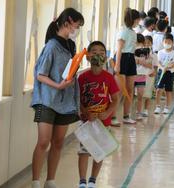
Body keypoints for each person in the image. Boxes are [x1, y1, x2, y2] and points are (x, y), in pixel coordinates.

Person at [30, 8, 84, 188]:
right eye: (77, 25)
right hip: (47, 100)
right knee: (43, 141)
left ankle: (50, 180)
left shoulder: (71, 46)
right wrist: (58, 85)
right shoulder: (52, 46)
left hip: (65, 101)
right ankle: (36, 181)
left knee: (58, 142)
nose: (77, 29)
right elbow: (40, 75)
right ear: (67, 22)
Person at [78, 41, 119, 188]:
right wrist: (85, 112)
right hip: (86, 123)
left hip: (103, 123)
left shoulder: (109, 78)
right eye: (94, 52)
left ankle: (92, 181)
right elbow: (77, 100)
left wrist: (108, 113)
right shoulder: (82, 78)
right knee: (83, 151)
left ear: (106, 57)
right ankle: (82, 181)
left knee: (99, 152)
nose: (98, 54)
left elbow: (115, 99)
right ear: (88, 57)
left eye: (102, 52)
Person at [112, 8, 140, 125]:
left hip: (131, 59)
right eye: (138, 19)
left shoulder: (133, 32)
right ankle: (112, 117)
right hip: (122, 59)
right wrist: (117, 65)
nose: (139, 22)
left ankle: (126, 115)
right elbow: (119, 49)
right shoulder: (123, 31)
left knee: (130, 89)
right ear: (134, 19)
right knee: (118, 90)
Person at [154, 34, 174, 114]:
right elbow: (158, 62)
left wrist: (167, 68)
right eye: (165, 42)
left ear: (172, 43)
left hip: (169, 73)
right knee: (158, 89)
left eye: (169, 42)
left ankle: (167, 107)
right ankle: (157, 106)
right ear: (163, 42)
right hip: (161, 72)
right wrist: (162, 67)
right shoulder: (160, 52)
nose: (167, 44)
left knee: (168, 90)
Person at [134, 34, 156, 119]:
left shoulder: (147, 53)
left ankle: (139, 112)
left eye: (140, 44)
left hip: (142, 76)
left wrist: (140, 61)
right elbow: (132, 62)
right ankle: (128, 113)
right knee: (131, 95)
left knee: (140, 95)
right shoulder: (131, 51)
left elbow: (150, 65)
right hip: (132, 75)